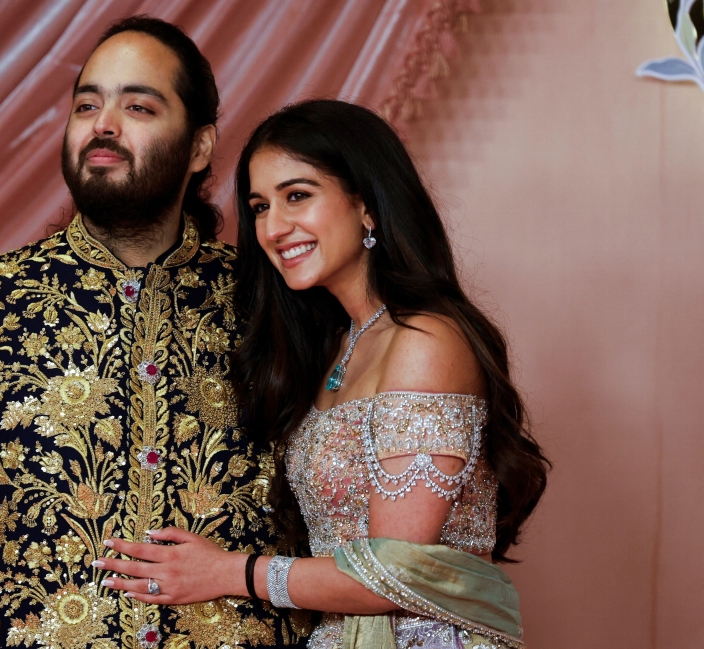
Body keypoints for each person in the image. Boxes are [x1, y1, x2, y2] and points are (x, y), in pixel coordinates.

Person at [0, 16, 311, 649]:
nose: (104, 123)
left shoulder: (268, 302)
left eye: (138, 106)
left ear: (199, 147)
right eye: (86, 105)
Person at [95, 100, 551, 649]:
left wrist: (229, 572)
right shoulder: (336, 346)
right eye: (260, 206)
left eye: (297, 195)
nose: (273, 227)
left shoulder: (426, 339)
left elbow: (396, 572)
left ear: (367, 205)